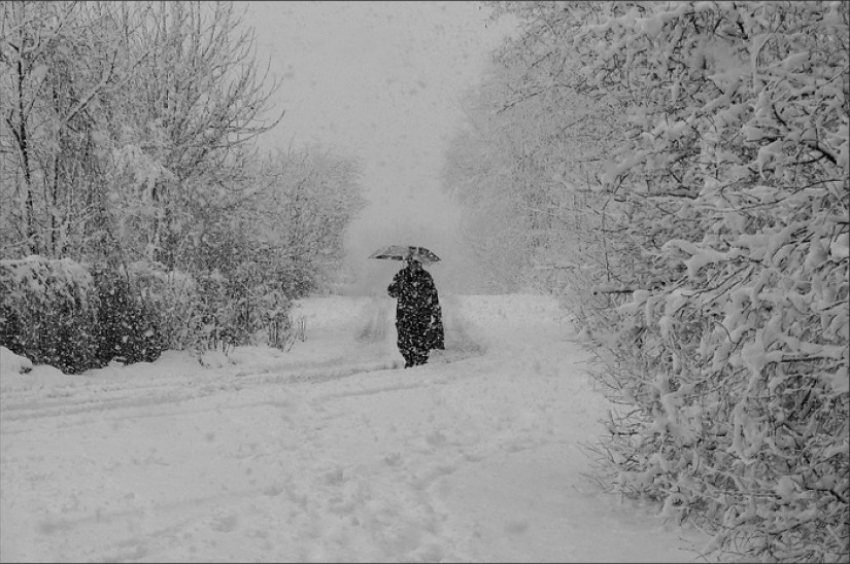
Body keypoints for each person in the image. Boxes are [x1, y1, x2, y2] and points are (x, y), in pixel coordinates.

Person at [387, 255, 444, 368]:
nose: (416, 265)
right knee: (403, 343)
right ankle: (409, 360)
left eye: (418, 262)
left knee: (421, 342)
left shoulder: (426, 277)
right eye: (413, 262)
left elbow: (433, 297)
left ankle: (419, 363)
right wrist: (397, 285)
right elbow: (392, 293)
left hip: (422, 315)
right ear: (408, 262)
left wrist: (437, 315)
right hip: (404, 315)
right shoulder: (401, 275)